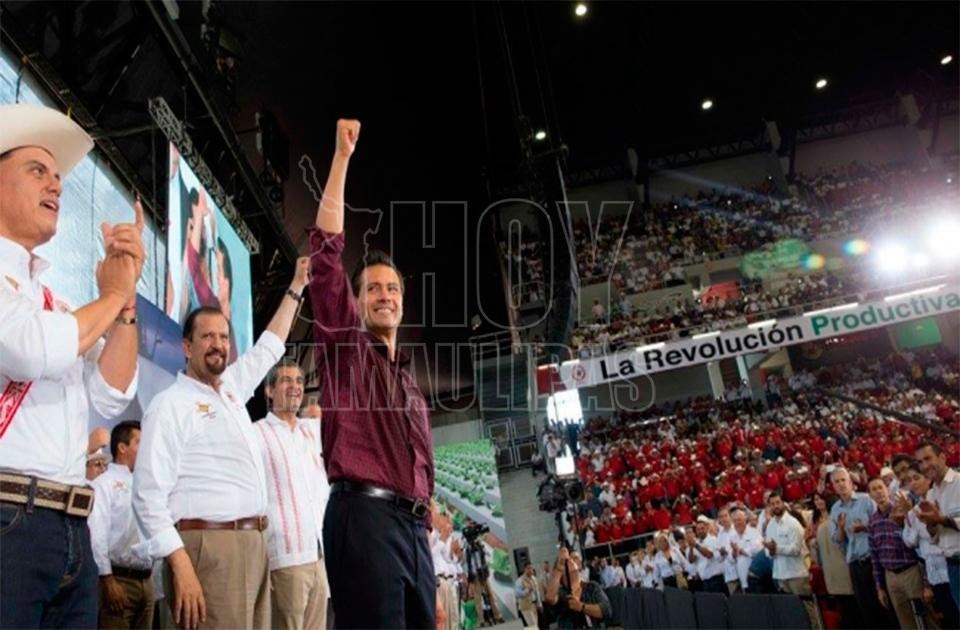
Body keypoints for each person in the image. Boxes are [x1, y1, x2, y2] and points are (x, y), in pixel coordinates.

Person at [0, 103, 143, 628]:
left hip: (70, 529)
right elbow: (29, 348)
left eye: (58, 177)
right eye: (37, 171)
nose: (56, 186)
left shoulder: (54, 304)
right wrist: (113, 293)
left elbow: (110, 391)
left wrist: (126, 301)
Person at [306, 119, 437, 628]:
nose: (386, 295)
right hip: (363, 522)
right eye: (374, 288)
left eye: (393, 288)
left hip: (413, 534)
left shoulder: (411, 387)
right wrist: (341, 158)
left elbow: (421, 472)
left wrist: (425, 557)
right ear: (356, 303)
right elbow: (325, 256)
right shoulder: (347, 348)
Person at [133, 259, 308, 630]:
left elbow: (270, 347)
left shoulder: (231, 390)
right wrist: (180, 563)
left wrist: (296, 286)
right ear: (186, 346)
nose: (218, 345)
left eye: (224, 337)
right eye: (208, 337)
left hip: (254, 545)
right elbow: (147, 495)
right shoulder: (170, 404)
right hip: (207, 549)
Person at [252, 359, 330, 630]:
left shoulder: (311, 432)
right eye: (286, 380)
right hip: (285, 558)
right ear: (269, 390)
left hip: (319, 554)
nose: (295, 386)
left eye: (299, 381)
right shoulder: (257, 434)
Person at [88, 421, 153, 630]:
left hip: (147, 580)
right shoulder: (104, 483)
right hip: (119, 579)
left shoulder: (148, 484)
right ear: (122, 447)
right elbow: (97, 533)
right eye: (139, 442)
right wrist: (107, 579)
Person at [866, 476, 936, 629]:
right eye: (874, 490)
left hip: (911, 571)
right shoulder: (872, 522)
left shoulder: (903, 512)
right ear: (870, 495)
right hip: (890, 577)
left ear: (887, 490)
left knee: (927, 619)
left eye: (880, 487)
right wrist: (880, 587)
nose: (878, 492)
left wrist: (926, 583)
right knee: (905, 622)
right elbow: (875, 557)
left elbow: (922, 548)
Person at [828, 467, 891, 628]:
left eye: (843, 480)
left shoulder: (866, 500)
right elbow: (837, 541)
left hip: (873, 561)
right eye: (837, 482)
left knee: (884, 607)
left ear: (850, 482)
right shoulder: (835, 509)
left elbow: (881, 526)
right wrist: (841, 528)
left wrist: (863, 527)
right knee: (866, 610)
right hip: (855, 564)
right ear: (833, 486)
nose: (841, 484)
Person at [902, 461, 960, 630]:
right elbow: (910, 541)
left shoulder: (940, 499)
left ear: (928, 479)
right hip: (934, 574)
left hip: (951, 566)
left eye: (916, 478)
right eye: (909, 480)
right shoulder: (913, 511)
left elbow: (935, 536)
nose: (913, 483)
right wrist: (908, 516)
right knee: (950, 620)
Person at [914, 440, 960, 609]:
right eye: (920, 462)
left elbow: (944, 521)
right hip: (952, 567)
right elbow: (936, 538)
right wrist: (931, 525)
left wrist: (940, 519)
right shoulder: (931, 494)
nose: (925, 466)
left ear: (942, 457)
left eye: (928, 459)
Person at [763, 492, 816, 626]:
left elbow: (796, 549)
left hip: (796, 574)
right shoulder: (770, 525)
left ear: (783, 503)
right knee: (791, 612)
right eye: (772, 504)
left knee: (807, 610)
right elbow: (767, 551)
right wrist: (770, 550)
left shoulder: (793, 523)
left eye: (777, 502)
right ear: (769, 507)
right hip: (780, 575)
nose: (776, 506)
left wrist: (777, 549)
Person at [544, 547, 612, 629]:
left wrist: (581, 606)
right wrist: (559, 567)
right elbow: (550, 597)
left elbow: (606, 610)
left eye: (575, 558)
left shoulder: (592, 587)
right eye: (568, 560)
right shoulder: (560, 592)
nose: (572, 561)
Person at [687, 518, 728, 594]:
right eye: (698, 529)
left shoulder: (712, 540)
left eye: (702, 528)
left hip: (716, 580)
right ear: (696, 531)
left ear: (706, 528)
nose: (700, 531)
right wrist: (691, 547)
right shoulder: (697, 542)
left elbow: (709, 555)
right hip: (705, 581)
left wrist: (695, 545)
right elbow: (691, 560)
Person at [727, 508, 762, 592]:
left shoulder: (754, 532)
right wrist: (734, 553)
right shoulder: (733, 537)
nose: (737, 523)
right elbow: (730, 559)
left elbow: (759, 549)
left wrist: (742, 551)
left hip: (755, 577)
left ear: (745, 520)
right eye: (735, 521)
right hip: (742, 578)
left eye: (739, 520)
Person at [516, 562, 542, 628]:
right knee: (533, 626)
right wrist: (527, 591)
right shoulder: (520, 580)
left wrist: (539, 604)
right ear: (525, 569)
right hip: (526, 606)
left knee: (535, 626)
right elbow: (517, 594)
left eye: (532, 568)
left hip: (534, 605)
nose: (531, 570)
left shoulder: (534, 578)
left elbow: (537, 592)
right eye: (529, 568)